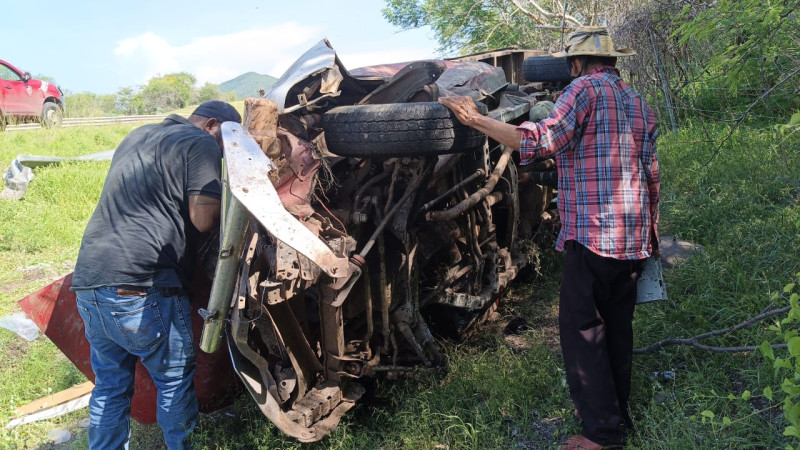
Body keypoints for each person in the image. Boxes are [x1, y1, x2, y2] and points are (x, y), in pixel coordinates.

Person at [440, 27, 659, 450]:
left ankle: (600, 435)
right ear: (613, 61)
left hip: (593, 236)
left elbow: (539, 141)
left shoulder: (581, 91)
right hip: (632, 237)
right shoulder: (638, 102)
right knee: (617, 328)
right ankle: (614, 416)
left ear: (576, 64)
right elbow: (652, 175)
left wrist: (475, 119)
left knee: (582, 331)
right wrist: (651, 236)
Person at [71, 100, 242, 449]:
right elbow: (203, 219)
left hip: (89, 284)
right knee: (174, 381)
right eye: (225, 147)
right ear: (212, 125)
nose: (220, 155)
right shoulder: (202, 142)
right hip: (143, 287)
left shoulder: (137, 135)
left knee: (110, 387)